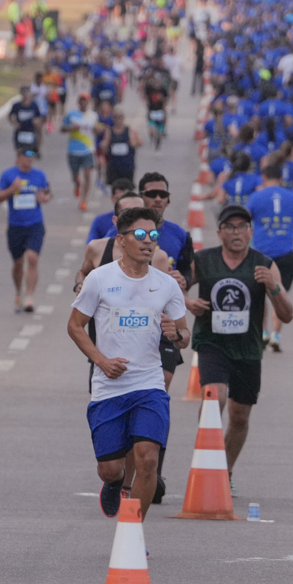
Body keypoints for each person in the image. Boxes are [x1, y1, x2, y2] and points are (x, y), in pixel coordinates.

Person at [68, 206, 191, 518]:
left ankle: (132, 531)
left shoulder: (167, 284)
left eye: (153, 235)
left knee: (148, 459)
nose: (148, 241)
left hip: (149, 383)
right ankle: (115, 482)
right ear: (121, 240)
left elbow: (184, 334)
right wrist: (101, 361)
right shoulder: (99, 279)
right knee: (110, 469)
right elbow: (75, 326)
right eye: (140, 234)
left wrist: (175, 333)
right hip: (109, 386)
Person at [185, 205, 293, 491]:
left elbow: (287, 314)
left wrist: (273, 287)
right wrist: (188, 303)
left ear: (251, 232)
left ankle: (224, 471)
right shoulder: (203, 260)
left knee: (240, 416)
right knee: (214, 398)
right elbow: (174, 286)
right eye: (230, 227)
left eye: (242, 227)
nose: (236, 232)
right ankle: (206, 460)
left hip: (248, 350)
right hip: (212, 343)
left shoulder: (265, 264)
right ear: (220, 232)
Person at [247, 163, 293, 352]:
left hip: (262, 254)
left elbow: (245, 223)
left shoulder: (255, 197)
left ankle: (263, 330)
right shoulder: (292, 197)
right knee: (280, 293)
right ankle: (276, 334)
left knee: (260, 295)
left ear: (263, 176)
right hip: (285, 254)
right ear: (281, 178)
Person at [0, 149, 53, 313]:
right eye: (26, 157)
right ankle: (19, 292)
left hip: (35, 224)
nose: (29, 160)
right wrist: (12, 189)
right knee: (18, 263)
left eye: (32, 157)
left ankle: (29, 297)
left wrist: (45, 198)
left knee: (33, 258)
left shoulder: (39, 175)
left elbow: (47, 193)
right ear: (19, 158)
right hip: (15, 226)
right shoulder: (9, 175)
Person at [62, 92, 98, 211]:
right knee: (75, 176)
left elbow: (97, 130)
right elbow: (62, 128)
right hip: (73, 150)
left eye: (85, 100)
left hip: (88, 150)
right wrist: (71, 128)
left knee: (88, 174)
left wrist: (98, 130)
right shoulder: (71, 115)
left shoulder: (93, 116)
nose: (83, 102)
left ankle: (83, 200)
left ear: (88, 102)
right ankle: (77, 184)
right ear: (78, 102)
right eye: (81, 100)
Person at [97, 99, 142, 188]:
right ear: (113, 118)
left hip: (127, 166)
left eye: (120, 117)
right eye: (116, 117)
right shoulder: (109, 131)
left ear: (123, 118)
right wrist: (103, 145)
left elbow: (140, 142)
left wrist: (134, 143)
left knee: (128, 192)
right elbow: (104, 145)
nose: (118, 119)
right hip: (114, 167)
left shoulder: (130, 130)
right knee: (115, 192)